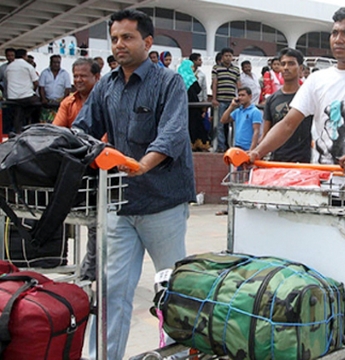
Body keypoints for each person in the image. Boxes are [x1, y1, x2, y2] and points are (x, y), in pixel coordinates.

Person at [250, 8, 345, 358]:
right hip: (326, 192)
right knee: (324, 270)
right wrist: (253, 153)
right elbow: (287, 124)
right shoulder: (317, 80)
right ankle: (325, 341)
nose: (338, 40)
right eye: (334, 33)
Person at [73, 9, 196, 359]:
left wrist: (142, 165)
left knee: (173, 291)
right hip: (119, 205)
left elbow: (173, 133)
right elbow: (83, 130)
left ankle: (176, 356)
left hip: (164, 205)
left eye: (126, 37)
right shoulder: (107, 86)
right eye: (114, 38)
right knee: (112, 293)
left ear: (147, 41)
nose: (119, 45)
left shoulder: (169, 82)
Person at [52, 58, 101, 282]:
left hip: (100, 168)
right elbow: (56, 133)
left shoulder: (104, 101)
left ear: (96, 78)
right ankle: (87, 268)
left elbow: (104, 140)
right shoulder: (68, 103)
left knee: (96, 223)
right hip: (75, 168)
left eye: (84, 76)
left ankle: (91, 269)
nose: (79, 80)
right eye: (76, 76)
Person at [261, 48, 312, 163]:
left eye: (291, 63)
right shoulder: (272, 100)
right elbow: (266, 133)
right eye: (282, 64)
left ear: (301, 69)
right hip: (277, 161)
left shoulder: (309, 97)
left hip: (303, 163)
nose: (286, 68)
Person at [211, 47, 240, 152]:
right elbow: (215, 83)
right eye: (226, 56)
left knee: (233, 124)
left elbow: (238, 84)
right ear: (222, 57)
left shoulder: (236, 69)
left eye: (230, 56)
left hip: (232, 101)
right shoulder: (216, 68)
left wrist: (240, 98)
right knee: (220, 124)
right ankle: (221, 147)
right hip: (221, 100)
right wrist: (214, 99)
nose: (228, 58)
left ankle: (233, 146)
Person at [5, 48, 40, 133]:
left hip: (12, 97)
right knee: (39, 104)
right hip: (26, 97)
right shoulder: (28, 66)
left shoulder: (8, 67)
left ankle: (18, 132)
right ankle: (35, 125)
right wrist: (32, 90)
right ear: (24, 56)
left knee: (18, 113)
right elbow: (36, 83)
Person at [179, 59, 209, 151]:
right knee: (195, 125)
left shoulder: (178, 77)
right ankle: (196, 143)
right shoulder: (191, 78)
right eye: (191, 67)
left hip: (182, 105)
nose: (192, 69)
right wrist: (195, 78)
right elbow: (198, 89)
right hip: (193, 106)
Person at [220, 87, 262, 151]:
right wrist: (231, 106)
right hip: (237, 146)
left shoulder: (255, 111)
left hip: (248, 147)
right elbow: (223, 120)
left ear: (250, 96)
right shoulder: (238, 111)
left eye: (243, 95)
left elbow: (256, 131)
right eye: (239, 95)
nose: (240, 98)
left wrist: (252, 149)